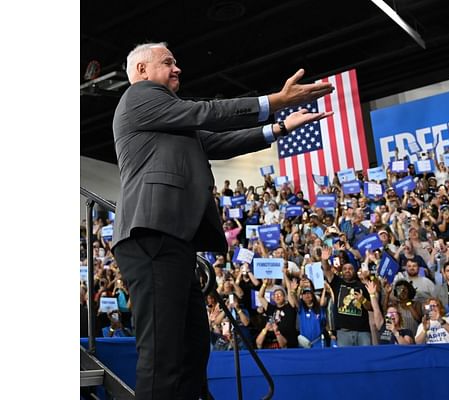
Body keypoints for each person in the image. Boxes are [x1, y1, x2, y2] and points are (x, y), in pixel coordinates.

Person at [110, 41, 333, 399]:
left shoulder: (170, 122)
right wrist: (274, 101)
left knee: (193, 347)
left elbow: (216, 141)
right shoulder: (140, 98)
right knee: (163, 352)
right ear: (141, 71)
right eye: (168, 62)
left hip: (174, 239)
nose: (178, 68)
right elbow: (206, 113)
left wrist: (279, 128)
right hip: (150, 233)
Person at [321, 247, 373, 347]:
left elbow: (370, 307)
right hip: (343, 332)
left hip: (362, 331)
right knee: (346, 361)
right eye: (345, 269)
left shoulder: (362, 286)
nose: (347, 271)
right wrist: (324, 260)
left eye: (350, 269)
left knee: (366, 359)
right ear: (342, 272)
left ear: (355, 271)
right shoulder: (337, 282)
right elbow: (327, 269)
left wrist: (363, 300)